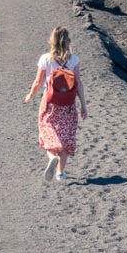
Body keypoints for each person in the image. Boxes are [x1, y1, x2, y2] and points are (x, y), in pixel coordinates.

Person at [24, 25, 87, 182]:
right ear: (68, 41)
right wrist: (84, 105)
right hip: (68, 103)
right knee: (66, 137)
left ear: (52, 40)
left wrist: (30, 95)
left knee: (47, 132)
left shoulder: (46, 58)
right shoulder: (74, 59)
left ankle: (52, 156)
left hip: (50, 101)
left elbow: (38, 81)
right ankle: (60, 173)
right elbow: (78, 83)